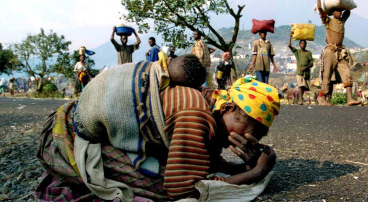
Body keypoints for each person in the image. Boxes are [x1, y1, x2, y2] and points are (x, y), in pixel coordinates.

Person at [35, 59, 280, 202]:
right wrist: (256, 172)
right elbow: (184, 188)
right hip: (65, 139)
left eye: (256, 138)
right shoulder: (197, 114)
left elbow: (205, 162)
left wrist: (243, 165)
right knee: (158, 187)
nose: (249, 139)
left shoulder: (208, 103)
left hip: (69, 123)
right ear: (227, 107)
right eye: (251, 131)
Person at [317, 0, 360, 106]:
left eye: (340, 10)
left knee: (346, 73)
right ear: (332, 12)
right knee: (327, 75)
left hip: (341, 52)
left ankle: (350, 99)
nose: (339, 12)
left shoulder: (342, 21)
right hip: (330, 51)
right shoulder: (328, 21)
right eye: (337, 10)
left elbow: (348, 11)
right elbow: (320, 9)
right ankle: (323, 99)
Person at [288, 32, 314, 105]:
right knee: (300, 85)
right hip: (299, 72)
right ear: (299, 45)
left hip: (306, 73)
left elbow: (311, 63)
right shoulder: (297, 52)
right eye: (301, 43)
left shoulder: (308, 53)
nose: (303, 44)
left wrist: (305, 67)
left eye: (304, 43)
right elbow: (289, 46)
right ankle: (300, 100)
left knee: (303, 87)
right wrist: (290, 37)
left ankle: (300, 98)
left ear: (306, 45)